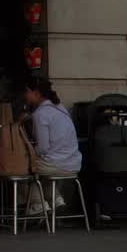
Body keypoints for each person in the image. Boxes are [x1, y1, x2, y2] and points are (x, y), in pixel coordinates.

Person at [23, 77, 82, 213]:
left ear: (36, 93)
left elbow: (43, 148)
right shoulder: (60, 108)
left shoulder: (40, 114)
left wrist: (29, 152)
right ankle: (56, 200)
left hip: (56, 164)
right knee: (42, 171)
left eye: (27, 92)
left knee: (20, 168)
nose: (25, 95)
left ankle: (38, 204)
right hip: (73, 163)